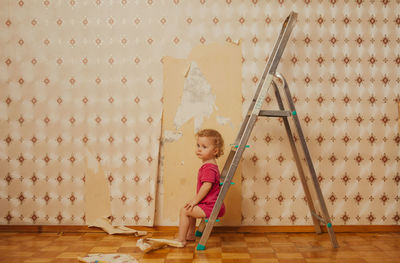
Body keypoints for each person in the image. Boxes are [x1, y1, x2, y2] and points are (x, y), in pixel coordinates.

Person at [175, 129, 226, 246]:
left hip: (211, 206)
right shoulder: (210, 165)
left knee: (184, 210)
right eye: (198, 145)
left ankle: (181, 239)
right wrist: (194, 202)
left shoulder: (208, 167)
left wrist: (195, 200)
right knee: (190, 209)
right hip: (210, 204)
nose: (199, 149)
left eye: (204, 147)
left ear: (215, 151)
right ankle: (190, 235)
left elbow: (207, 186)